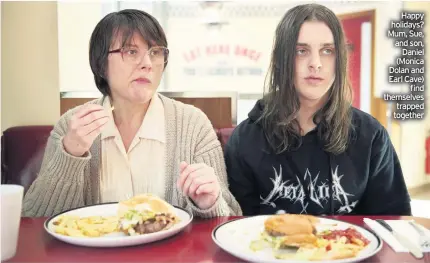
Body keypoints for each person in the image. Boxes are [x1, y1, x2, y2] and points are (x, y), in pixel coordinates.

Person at [23, 9, 242, 218]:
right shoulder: (70, 126)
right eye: (131, 51)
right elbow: (33, 217)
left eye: (155, 52)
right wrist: (70, 153)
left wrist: (209, 202)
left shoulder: (193, 125)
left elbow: (229, 217)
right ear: (100, 64)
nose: (147, 64)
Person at [225, 3, 411, 216]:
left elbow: (394, 223)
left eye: (327, 51)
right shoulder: (245, 139)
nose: (316, 63)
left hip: (349, 248)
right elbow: (237, 228)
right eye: (301, 51)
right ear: (280, 59)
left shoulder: (371, 137)